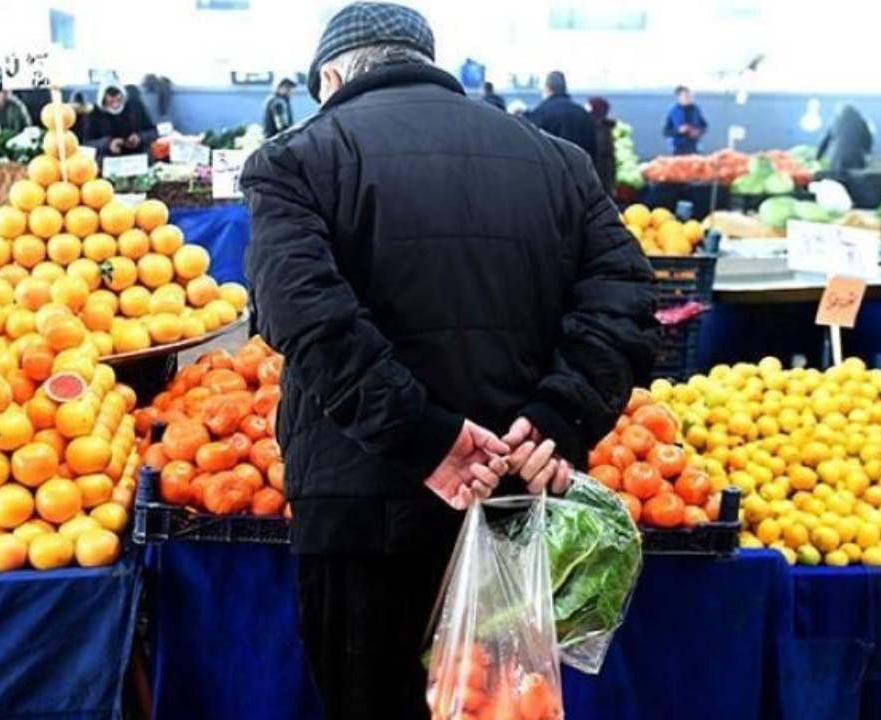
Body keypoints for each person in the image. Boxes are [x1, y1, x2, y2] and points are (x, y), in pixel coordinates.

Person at [240, 3, 659, 718]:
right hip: (514, 505)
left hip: (360, 510)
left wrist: (425, 437)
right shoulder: (558, 162)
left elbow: (304, 315)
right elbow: (625, 300)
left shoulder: (296, 158)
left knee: (368, 698)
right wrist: (557, 418)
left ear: (333, 75)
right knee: (497, 704)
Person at [526, 70, 596, 156]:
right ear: (564, 88)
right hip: (580, 166)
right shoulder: (583, 113)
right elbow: (593, 148)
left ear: (547, 88)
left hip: (551, 166)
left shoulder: (540, 112)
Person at [82, 84, 157, 157]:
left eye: (118, 100)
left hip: (137, 155)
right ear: (103, 100)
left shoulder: (135, 106)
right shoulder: (94, 113)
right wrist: (108, 144)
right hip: (108, 158)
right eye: (111, 102)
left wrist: (140, 137)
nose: (116, 105)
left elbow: (153, 132)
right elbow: (87, 144)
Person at [817, 104, 873, 173]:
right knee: (856, 179)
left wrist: (817, 157)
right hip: (856, 160)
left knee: (838, 180)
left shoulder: (835, 122)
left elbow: (824, 141)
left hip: (837, 161)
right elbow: (868, 143)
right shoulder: (862, 122)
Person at [663, 85, 708, 155]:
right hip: (678, 149)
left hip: (695, 148)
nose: (690, 98)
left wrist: (698, 131)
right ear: (679, 97)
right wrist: (679, 130)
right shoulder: (673, 111)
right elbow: (666, 132)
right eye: (686, 96)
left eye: (691, 96)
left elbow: (704, 126)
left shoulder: (696, 110)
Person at [588, 96, 616, 195]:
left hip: (600, 176)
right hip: (605, 176)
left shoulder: (599, 130)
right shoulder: (607, 129)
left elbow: (604, 155)